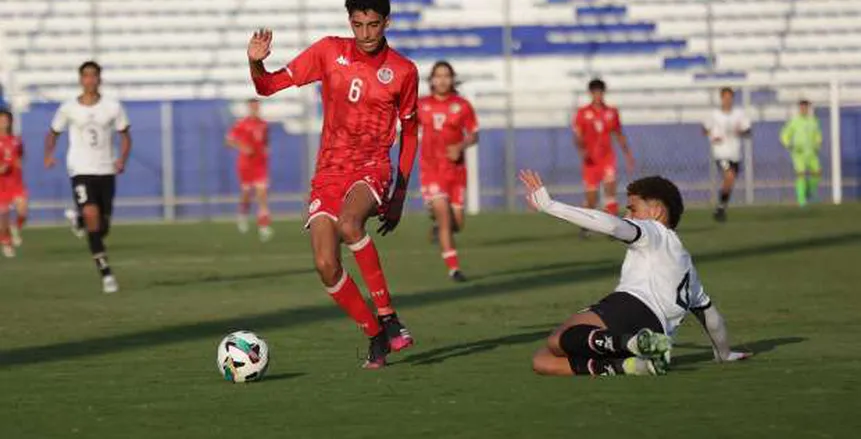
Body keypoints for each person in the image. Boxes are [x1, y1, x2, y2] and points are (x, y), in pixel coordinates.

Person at [247, 0, 419, 369]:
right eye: (358, 25)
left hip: (372, 166)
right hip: (329, 172)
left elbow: (411, 132)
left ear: (386, 22)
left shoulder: (404, 71)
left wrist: (400, 193)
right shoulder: (328, 51)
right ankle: (376, 336)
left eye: (373, 25)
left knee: (349, 223)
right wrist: (256, 62)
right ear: (349, 21)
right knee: (326, 264)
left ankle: (389, 317)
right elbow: (267, 86)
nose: (366, 34)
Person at [520, 169, 751, 377]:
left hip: (631, 307)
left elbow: (612, 226)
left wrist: (550, 206)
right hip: (657, 329)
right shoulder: (687, 267)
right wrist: (724, 354)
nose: (628, 215)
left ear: (657, 211)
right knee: (543, 361)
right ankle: (633, 365)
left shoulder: (653, 230)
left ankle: (631, 343)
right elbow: (712, 319)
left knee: (557, 340)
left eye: (632, 208)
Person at [45, 61, 132, 294]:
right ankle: (106, 274)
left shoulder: (113, 107)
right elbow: (53, 133)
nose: (90, 80)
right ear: (80, 79)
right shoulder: (68, 108)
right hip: (80, 169)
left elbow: (125, 136)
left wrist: (122, 158)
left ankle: (79, 220)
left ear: (99, 79)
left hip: (106, 170)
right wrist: (49, 155)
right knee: (92, 215)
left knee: (102, 228)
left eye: (94, 76)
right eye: (86, 76)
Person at [418, 61, 478, 282]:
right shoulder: (420, 104)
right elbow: (406, 129)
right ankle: (454, 269)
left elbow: (473, 134)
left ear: (453, 79)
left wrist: (461, 146)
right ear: (431, 80)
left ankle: (438, 226)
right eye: (438, 76)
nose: (442, 80)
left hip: (456, 172)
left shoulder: (462, 105)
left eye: (446, 76)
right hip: (431, 170)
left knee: (457, 223)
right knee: (444, 216)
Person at [573, 79, 634, 223]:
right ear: (590, 94)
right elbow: (577, 137)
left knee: (610, 192)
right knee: (592, 199)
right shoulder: (582, 113)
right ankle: (585, 224)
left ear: (603, 93)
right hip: (590, 162)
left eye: (600, 92)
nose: (598, 95)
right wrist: (582, 150)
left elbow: (618, 134)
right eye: (595, 93)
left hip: (607, 158)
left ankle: (612, 226)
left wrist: (628, 155)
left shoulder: (612, 112)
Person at [226, 98, 273, 240]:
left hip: (260, 164)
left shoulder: (264, 124)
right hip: (246, 164)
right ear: (248, 108)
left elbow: (265, 141)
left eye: (257, 106)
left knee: (262, 195)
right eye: (252, 107)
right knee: (246, 194)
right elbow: (229, 141)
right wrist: (242, 147)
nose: (255, 109)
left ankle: (264, 227)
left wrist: (266, 150)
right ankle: (242, 215)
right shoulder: (241, 124)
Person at [703, 87, 751, 222]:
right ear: (721, 98)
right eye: (725, 97)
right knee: (729, 176)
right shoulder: (714, 114)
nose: (727, 100)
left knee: (730, 181)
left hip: (735, 153)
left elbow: (747, 131)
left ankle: (721, 207)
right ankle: (721, 207)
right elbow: (705, 129)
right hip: (721, 152)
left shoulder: (739, 114)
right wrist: (713, 136)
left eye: (730, 97)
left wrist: (739, 132)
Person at [780, 99, 822, 207]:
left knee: (817, 172)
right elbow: (785, 134)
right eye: (802, 107)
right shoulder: (794, 121)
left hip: (811, 152)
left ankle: (809, 191)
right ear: (799, 108)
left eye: (806, 107)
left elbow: (817, 134)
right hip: (799, 153)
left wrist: (818, 143)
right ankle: (801, 199)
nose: (804, 109)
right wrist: (788, 144)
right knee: (801, 174)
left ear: (808, 108)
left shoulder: (813, 120)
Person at [0, 109, 27, 257]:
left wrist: (19, 162)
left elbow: (21, 155)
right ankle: (6, 242)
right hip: (1, 184)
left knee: (23, 210)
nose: (4, 123)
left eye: (6, 120)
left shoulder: (16, 140)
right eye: (1, 120)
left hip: (16, 182)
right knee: (3, 216)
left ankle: (15, 228)